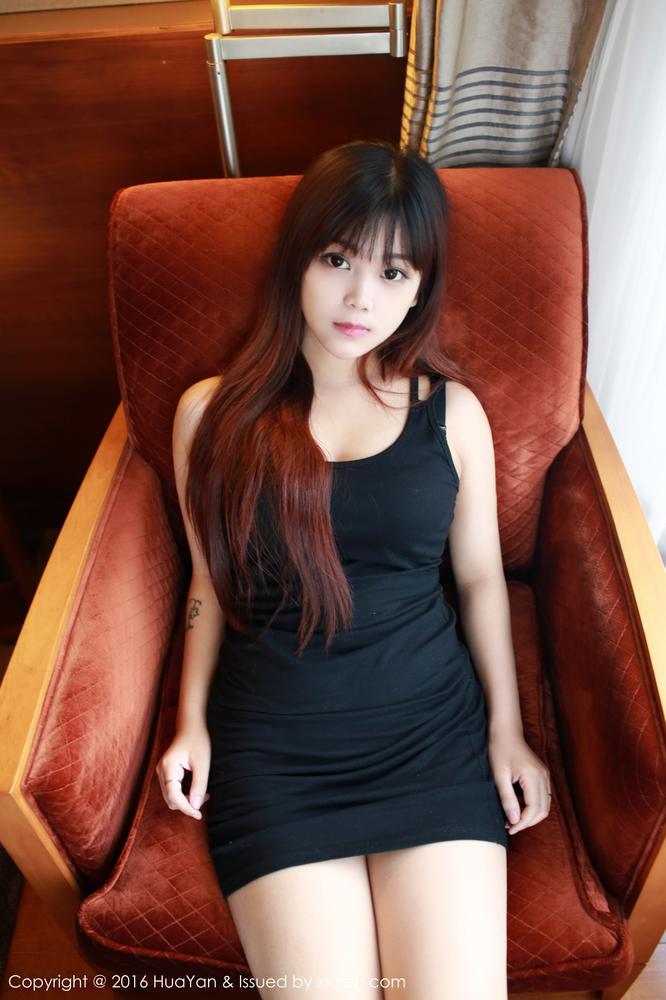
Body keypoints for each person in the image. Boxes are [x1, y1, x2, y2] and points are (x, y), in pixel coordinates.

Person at [156, 139, 551, 999]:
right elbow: (208, 583)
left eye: (393, 272)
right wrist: (190, 723)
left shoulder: (452, 414)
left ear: (421, 288)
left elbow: (481, 581)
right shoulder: (210, 416)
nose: (360, 298)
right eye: (338, 260)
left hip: (431, 742)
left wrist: (507, 731)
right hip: (277, 756)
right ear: (298, 256)